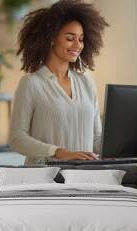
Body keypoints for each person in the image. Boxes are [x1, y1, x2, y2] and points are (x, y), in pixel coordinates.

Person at [9, 0, 109, 165]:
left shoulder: (86, 84)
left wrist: (122, 147)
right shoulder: (31, 84)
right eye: (70, 38)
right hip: (45, 179)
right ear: (51, 39)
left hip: (84, 177)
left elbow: (96, 138)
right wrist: (58, 152)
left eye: (81, 39)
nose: (78, 45)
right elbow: (17, 139)